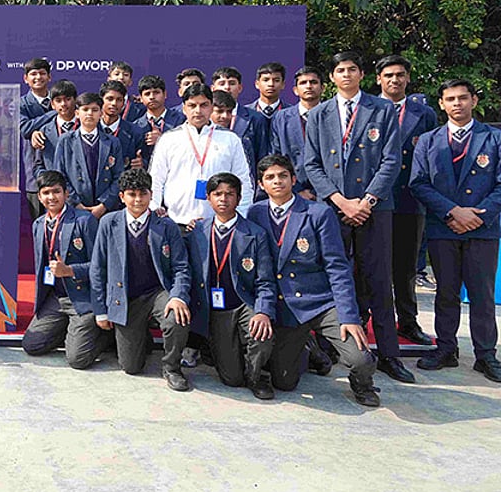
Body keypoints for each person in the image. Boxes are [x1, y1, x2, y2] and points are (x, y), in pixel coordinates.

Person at [302, 51, 413, 384]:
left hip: (374, 209)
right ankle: (334, 347)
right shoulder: (320, 114)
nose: (346, 74)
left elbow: (391, 161)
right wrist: (340, 201)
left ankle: (389, 355)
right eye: (340, 70)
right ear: (332, 77)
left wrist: (365, 201)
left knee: (379, 280)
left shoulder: (381, 110)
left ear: (362, 74)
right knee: (335, 277)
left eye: (352, 69)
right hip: (334, 211)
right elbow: (312, 164)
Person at [248, 155, 380, 406]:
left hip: (319, 302)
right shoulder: (255, 214)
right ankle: (309, 349)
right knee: (284, 382)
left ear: (293, 179)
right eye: (270, 177)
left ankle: (363, 384)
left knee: (359, 358)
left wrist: (350, 316)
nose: (277, 181)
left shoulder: (318, 213)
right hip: (284, 306)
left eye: (283, 176)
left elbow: (337, 267)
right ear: (261, 184)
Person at [410, 80, 501, 382]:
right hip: (444, 226)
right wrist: (452, 212)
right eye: (450, 99)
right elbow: (418, 183)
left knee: (482, 294)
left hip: (481, 228)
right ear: (441, 104)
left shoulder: (494, 138)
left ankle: (486, 354)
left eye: (463, 98)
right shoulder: (428, 140)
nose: (457, 104)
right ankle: (446, 348)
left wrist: (478, 216)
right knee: (446, 292)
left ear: (474, 100)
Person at [89, 168, 193, 391]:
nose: (137, 199)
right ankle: (140, 337)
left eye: (143, 193)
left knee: (177, 315)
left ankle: (172, 367)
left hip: (157, 293)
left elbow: (181, 267)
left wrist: (178, 296)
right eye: (131, 194)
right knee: (131, 367)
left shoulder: (166, 225)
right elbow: (98, 268)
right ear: (122, 197)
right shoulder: (109, 223)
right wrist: (101, 310)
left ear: (151, 195)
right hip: (126, 298)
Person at [185, 172, 276, 399]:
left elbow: (265, 280)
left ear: (239, 197)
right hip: (216, 309)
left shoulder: (255, 234)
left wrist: (263, 311)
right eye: (217, 194)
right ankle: (235, 364)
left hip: (244, 303)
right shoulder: (197, 231)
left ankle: (256, 377)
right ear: (208, 198)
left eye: (229, 194)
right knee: (232, 379)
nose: (223, 199)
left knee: (261, 334)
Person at [375, 55, 438, 346]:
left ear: (408, 79)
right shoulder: (367, 108)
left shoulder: (423, 114)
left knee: (406, 267)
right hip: (374, 200)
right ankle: (366, 320)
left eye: (400, 75)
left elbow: (431, 156)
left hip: (410, 200)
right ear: (378, 79)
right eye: (388, 75)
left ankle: (408, 322)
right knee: (370, 265)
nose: (394, 80)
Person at [22, 170, 111, 369]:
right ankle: (73, 331)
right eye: (46, 193)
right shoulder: (38, 224)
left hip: (82, 298)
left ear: (66, 194)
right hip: (55, 298)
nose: (51, 197)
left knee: (77, 360)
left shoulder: (84, 221)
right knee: (31, 345)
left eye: (56, 192)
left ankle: (106, 336)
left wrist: (70, 270)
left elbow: (101, 265)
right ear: (39, 196)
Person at [148, 83, 252, 231]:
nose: (198, 111)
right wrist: (155, 209)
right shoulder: (169, 139)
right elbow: (156, 179)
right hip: (176, 224)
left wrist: (240, 215)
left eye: (204, 105)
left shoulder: (230, 139)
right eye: (192, 105)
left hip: (219, 226)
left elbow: (243, 181)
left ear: (211, 107)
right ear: (184, 108)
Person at [51, 92, 123, 243]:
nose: (90, 113)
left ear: (101, 113)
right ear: (77, 113)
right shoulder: (65, 141)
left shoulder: (112, 142)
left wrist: (103, 205)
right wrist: (77, 204)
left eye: (94, 110)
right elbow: (59, 176)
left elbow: (119, 177)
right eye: (85, 109)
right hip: (75, 209)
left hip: (106, 210)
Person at [269, 66, 322, 200]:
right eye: (303, 83)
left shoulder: (333, 115)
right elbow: (276, 156)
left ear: (323, 88)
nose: (309, 86)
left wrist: (323, 191)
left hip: (328, 192)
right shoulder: (280, 118)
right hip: (293, 190)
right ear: (295, 90)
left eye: (313, 82)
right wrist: (297, 189)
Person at [211, 67, 272, 173]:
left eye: (232, 83)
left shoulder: (256, 118)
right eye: (222, 83)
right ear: (213, 88)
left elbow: (262, 156)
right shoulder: (203, 119)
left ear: (240, 88)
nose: (227, 88)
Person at [19, 57, 55, 218]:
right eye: (33, 74)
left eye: (42, 73)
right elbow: (25, 128)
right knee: (39, 227)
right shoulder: (21, 103)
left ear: (49, 77)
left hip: (60, 172)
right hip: (34, 176)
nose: (38, 77)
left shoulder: (59, 99)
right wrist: (54, 113)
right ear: (26, 79)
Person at [131, 75, 184, 169]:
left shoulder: (181, 120)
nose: (152, 97)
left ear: (165, 94)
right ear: (141, 98)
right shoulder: (135, 126)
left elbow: (187, 149)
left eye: (156, 92)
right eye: (147, 94)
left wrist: (162, 140)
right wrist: (141, 163)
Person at [30, 80, 78, 178]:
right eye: (58, 100)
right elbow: (38, 165)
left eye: (67, 99)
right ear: (52, 104)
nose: (63, 104)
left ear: (75, 100)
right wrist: (48, 181)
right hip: (55, 189)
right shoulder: (44, 131)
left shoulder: (87, 127)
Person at [97, 81, 141, 168]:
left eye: (119, 100)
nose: (114, 103)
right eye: (110, 99)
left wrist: (142, 163)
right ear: (101, 100)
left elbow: (146, 160)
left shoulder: (135, 132)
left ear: (123, 103)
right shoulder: (90, 129)